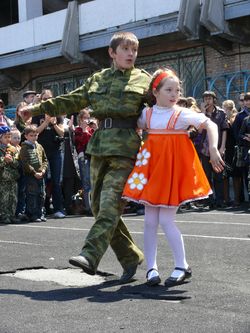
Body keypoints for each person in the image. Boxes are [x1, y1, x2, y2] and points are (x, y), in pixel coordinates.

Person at [20, 31, 151, 283]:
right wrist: (35, 109)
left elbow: (163, 107)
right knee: (98, 207)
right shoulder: (97, 80)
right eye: (125, 49)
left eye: (134, 50)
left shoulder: (144, 81)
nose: (131, 54)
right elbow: (69, 101)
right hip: (99, 146)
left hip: (127, 148)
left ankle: (90, 254)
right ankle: (131, 257)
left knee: (111, 204)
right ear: (112, 53)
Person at [122, 68, 224, 287]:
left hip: (170, 172)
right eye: (169, 89)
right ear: (155, 92)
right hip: (151, 172)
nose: (174, 94)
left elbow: (211, 124)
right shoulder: (146, 115)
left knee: (166, 221)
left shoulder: (180, 114)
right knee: (149, 221)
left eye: (177, 90)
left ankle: (182, 265)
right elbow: (129, 126)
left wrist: (214, 149)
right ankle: (151, 268)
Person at [32, 89, 65, 218]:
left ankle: (58, 209)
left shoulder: (57, 114)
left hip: (56, 151)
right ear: (41, 100)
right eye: (45, 99)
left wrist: (54, 123)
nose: (48, 100)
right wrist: (45, 122)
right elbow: (34, 132)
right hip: (41, 152)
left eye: (50, 98)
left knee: (57, 181)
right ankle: (42, 209)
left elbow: (62, 133)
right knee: (43, 181)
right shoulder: (37, 114)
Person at [199, 91, 228, 209]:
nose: (207, 100)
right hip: (205, 149)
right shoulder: (201, 114)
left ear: (214, 99)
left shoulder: (221, 113)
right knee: (206, 176)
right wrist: (202, 113)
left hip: (217, 149)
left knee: (218, 175)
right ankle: (209, 200)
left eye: (209, 98)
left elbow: (224, 130)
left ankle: (220, 200)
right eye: (205, 98)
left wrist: (222, 147)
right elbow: (199, 130)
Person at [19, 125, 48, 222]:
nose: (34, 137)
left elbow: (45, 160)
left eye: (36, 135)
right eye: (31, 135)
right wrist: (34, 172)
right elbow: (25, 163)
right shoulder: (24, 148)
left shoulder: (39, 146)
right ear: (26, 136)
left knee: (41, 194)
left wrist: (43, 170)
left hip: (41, 175)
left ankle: (40, 213)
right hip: (31, 176)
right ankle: (32, 214)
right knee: (32, 195)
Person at [74, 108, 94, 214]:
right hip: (84, 158)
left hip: (93, 157)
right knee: (86, 183)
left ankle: (94, 205)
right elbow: (79, 143)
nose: (87, 120)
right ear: (80, 119)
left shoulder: (91, 130)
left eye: (88, 118)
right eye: (85, 118)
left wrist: (89, 130)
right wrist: (84, 131)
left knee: (93, 182)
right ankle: (88, 207)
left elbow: (93, 141)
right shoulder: (77, 130)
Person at [0, 125, 20, 224]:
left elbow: (18, 163)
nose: (8, 139)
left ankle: (11, 215)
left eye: (9, 136)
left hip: (13, 177)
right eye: (5, 137)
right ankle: (4, 215)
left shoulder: (13, 149)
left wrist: (11, 160)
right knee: (4, 198)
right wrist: (4, 160)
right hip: (2, 179)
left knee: (13, 197)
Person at [221, 100, 238, 206]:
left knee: (231, 175)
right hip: (228, 148)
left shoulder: (234, 118)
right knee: (227, 175)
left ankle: (231, 199)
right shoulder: (224, 118)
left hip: (230, 149)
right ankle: (229, 199)